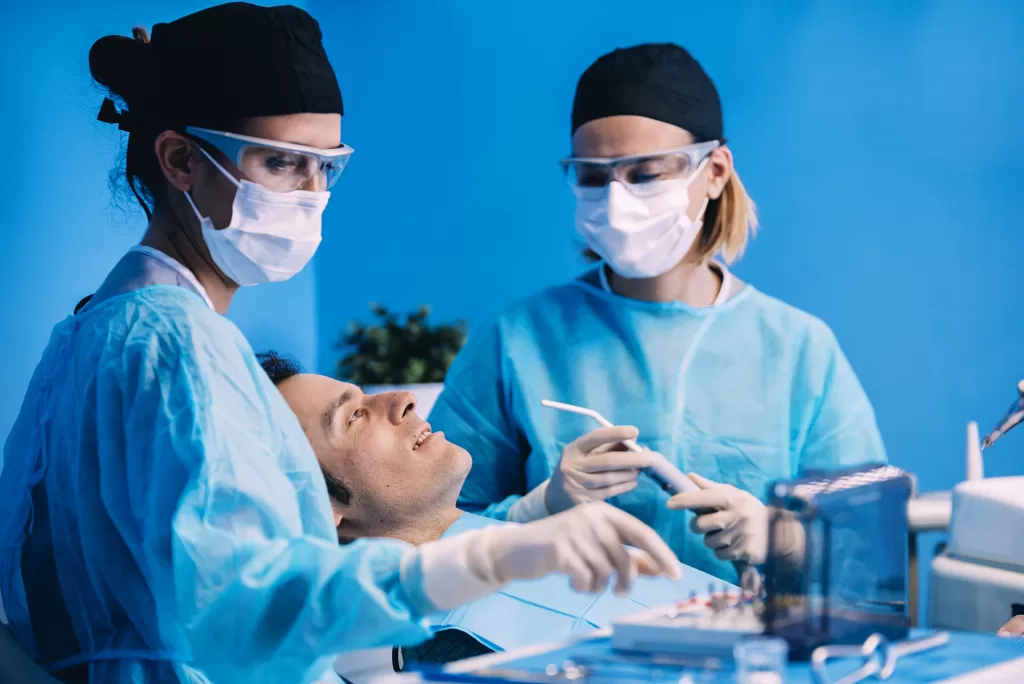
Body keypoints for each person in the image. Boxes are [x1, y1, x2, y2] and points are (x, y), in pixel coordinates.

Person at [0, 8, 678, 683]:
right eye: (282, 163)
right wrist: (489, 559)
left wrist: (526, 515)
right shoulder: (175, 345)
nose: (311, 195)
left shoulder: (89, 332)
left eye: (327, 167)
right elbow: (248, 607)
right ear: (180, 158)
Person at [428, 42, 888, 585]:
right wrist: (538, 509)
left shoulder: (798, 349)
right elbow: (431, 531)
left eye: (645, 174)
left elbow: (872, 547)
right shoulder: (518, 340)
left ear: (714, 172)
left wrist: (779, 536)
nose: (617, 203)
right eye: (594, 178)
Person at [255, 352, 734, 677]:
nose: (401, 399)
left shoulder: (506, 538)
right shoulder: (432, 654)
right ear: (321, 508)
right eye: (354, 417)